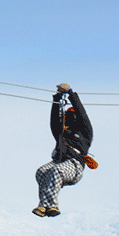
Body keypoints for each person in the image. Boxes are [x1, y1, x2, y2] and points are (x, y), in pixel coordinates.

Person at [33, 83, 93, 217]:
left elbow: (82, 114)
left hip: (74, 165)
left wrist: (71, 93)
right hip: (59, 161)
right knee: (41, 172)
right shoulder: (62, 134)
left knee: (56, 171)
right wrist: (57, 98)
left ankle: (51, 205)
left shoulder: (85, 133)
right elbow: (55, 121)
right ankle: (44, 206)